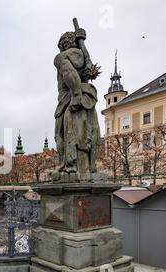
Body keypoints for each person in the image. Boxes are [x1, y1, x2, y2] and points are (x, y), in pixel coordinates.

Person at [54, 28, 100, 175]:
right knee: (89, 132)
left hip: (71, 100)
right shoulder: (83, 57)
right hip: (88, 99)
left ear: (62, 44)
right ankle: (90, 167)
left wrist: (76, 95)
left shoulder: (61, 57)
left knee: (63, 134)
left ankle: (69, 166)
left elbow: (69, 74)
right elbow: (89, 70)